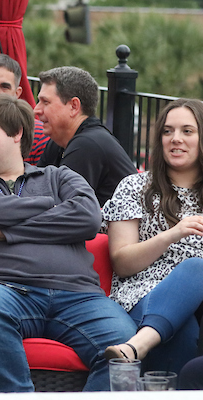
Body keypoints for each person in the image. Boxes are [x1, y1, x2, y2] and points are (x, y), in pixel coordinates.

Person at [0, 94, 136, 392]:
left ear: (16, 133)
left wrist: (6, 232)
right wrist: (45, 206)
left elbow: (88, 217)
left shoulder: (60, 176)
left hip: (78, 296)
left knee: (126, 346)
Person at [101, 99, 203, 375]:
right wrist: (172, 234)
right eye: (167, 131)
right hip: (143, 295)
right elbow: (122, 261)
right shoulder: (135, 187)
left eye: (187, 131)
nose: (175, 139)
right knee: (195, 273)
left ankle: (134, 348)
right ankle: (138, 347)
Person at [35, 66, 137, 207]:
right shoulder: (59, 141)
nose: (36, 109)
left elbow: (58, 211)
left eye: (45, 102)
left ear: (74, 106)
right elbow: (32, 192)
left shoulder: (88, 145)